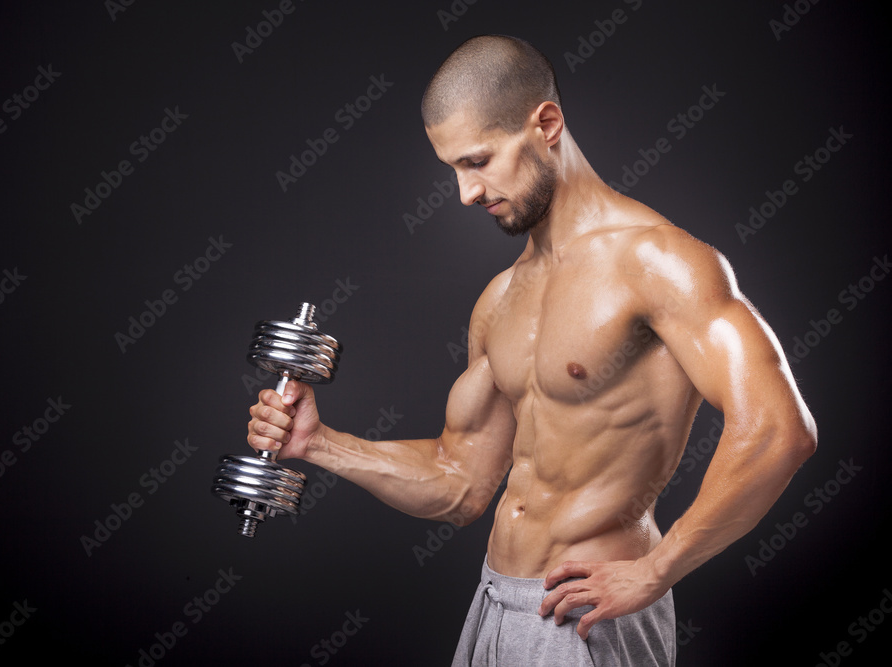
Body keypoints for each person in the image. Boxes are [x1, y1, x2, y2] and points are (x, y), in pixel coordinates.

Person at [247, 35, 817, 666]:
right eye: (454, 170)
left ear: (545, 123)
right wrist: (319, 444)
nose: (466, 192)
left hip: (586, 614)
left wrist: (657, 570)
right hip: (495, 603)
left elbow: (777, 429)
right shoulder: (501, 298)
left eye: (478, 161)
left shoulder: (659, 261)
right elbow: (459, 485)